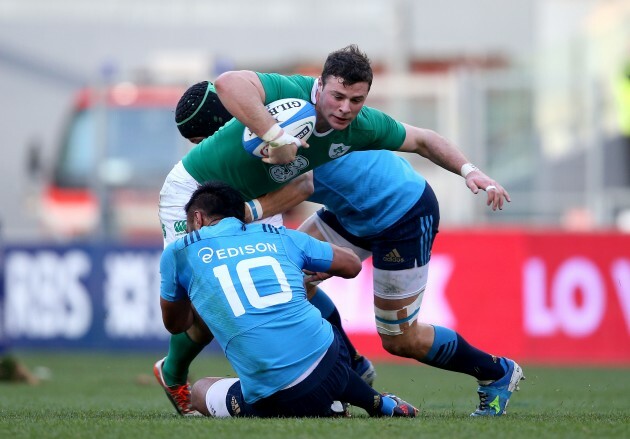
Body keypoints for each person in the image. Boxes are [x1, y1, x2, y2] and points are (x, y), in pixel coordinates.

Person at [156, 44, 516, 416]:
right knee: (282, 280)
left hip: (403, 212)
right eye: (339, 96)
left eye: (355, 99)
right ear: (322, 86)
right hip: (347, 216)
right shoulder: (270, 125)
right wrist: (272, 146)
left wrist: (472, 172)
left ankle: (496, 372)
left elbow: (416, 141)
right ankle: (349, 364)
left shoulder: (324, 116)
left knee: (400, 339)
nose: (345, 106)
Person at [158, 180, 418, 418]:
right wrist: (315, 273)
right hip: (334, 359)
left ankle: (331, 407)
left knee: (201, 390)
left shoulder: (179, 251)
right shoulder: (280, 236)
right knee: (317, 354)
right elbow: (352, 264)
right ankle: (378, 403)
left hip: (276, 398)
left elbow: (176, 325)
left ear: (197, 218)